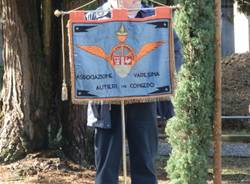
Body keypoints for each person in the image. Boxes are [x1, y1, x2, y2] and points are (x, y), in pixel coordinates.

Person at [86, 0, 183, 183]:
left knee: (145, 165)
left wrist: (160, 76)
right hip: (107, 104)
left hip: (144, 101)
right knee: (106, 169)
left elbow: (174, 50)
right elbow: (84, 57)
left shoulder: (155, 18)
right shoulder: (94, 19)